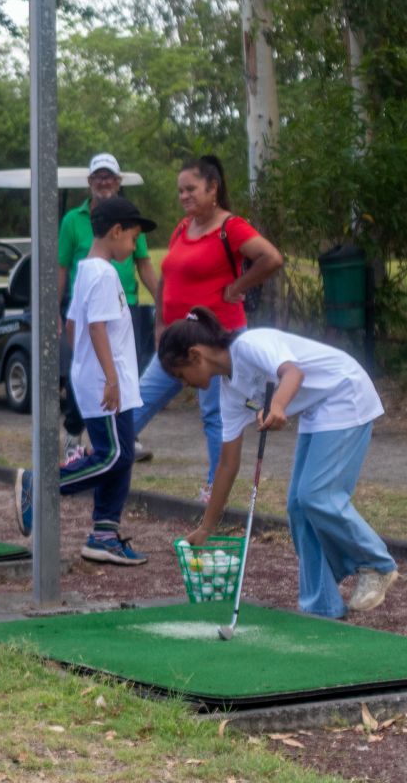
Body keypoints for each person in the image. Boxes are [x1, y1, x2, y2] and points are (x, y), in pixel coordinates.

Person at [162, 309, 398, 618]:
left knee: (317, 496)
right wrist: (206, 527)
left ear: (195, 355)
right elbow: (227, 465)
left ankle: (378, 564)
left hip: (345, 392)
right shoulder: (230, 393)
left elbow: (293, 373)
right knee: (299, 508)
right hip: (319, 409)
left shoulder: (249, 344)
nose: (184, 384)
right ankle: (322, 605)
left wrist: (277, 405)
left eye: (181, 375)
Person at [14, 197, 155, 566]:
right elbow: (94, 327)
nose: (134, 246)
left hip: (108, 379)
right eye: (133, 238)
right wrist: (107, 376)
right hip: (108, 383)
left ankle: (104, 535)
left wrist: (87, 367)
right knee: (112, 455)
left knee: (123, 457)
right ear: (116, 231)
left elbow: (76, 323)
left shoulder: (87, 269)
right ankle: (42, 484)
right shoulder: (105, 273)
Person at [133, 155, 284, 499]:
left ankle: (216, 489)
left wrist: (238, 286)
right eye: (180, 191)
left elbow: (271, 258)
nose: (184, 196)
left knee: (215, 415)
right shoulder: (182, 228)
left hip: (216, 340)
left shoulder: (230, 227)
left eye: (191, 189)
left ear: (212, 188)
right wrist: (160, 324)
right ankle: (107, 460)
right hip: (176, 339)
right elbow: (167, 280)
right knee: (139, 400)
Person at [57, 153, 161, 461]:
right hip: (89, 304)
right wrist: (52, 308)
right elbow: (62, 267)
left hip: (125, 303)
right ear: (90, 182)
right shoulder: (73, 221)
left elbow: (143, 263)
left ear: (118, 182)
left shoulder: (129, 221)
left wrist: (163, 302)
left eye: (110, 177)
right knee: (98, 371)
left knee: (129, 369)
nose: (104, 182)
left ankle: (126, 434)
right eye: (98, 177)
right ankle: (78, 435)